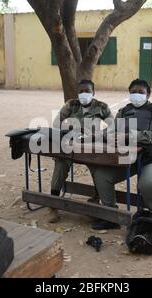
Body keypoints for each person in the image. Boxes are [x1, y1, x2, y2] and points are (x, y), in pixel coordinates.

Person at [91, 79, 152, 230]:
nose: (136, 95)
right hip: (129, 155)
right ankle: (110, 216)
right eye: (133, 92)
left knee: (148, 183)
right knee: (101, 176)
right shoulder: (124, 111)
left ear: (148, 95)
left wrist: (127, 136)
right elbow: (112, 131)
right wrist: (95, 136)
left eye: (141, 92)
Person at [49, 79, 113, 223]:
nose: (84, 94)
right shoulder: (71, 105)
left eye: (87, 91)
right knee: (60, 164)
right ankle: (53, 203)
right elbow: (56, 122)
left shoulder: (102, 107)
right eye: (81, 91)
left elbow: (112, 126)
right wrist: (69, 130)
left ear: (93, 92)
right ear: (77, 93)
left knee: (99, 168)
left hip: (92, 146)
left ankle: (97, 198)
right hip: (71, 144)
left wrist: (98, 135)